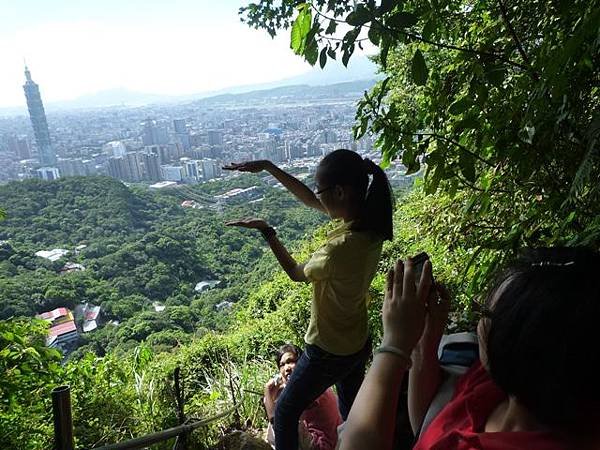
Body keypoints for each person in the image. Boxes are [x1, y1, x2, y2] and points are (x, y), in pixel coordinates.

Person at [338, 248, 600, 450]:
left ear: (519, 345)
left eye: (487, 314)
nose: (479, 322)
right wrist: (424, 344)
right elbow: (429, 425)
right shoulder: (500, 384)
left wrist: (393, 344)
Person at [224, 149, 394, 450]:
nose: (317, 196)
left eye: (321, 190)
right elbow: (310, 200)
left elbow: (294, 272)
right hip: (356, 339)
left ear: (340, 191)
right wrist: (269, 167)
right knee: (351, 412)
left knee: (286, 410)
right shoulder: (371, 224)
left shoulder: (340, 249)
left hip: (328, 349)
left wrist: (268, 232)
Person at [264, 344, 342, 450]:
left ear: (302, 364)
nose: (286, 368)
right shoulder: (315, 381)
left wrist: (268, 391)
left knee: (281, 414)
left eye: (290, 361)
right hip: (335, 438)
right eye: (282, 365)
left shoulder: (308, 387)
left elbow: (278, 420)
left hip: (324, 445)